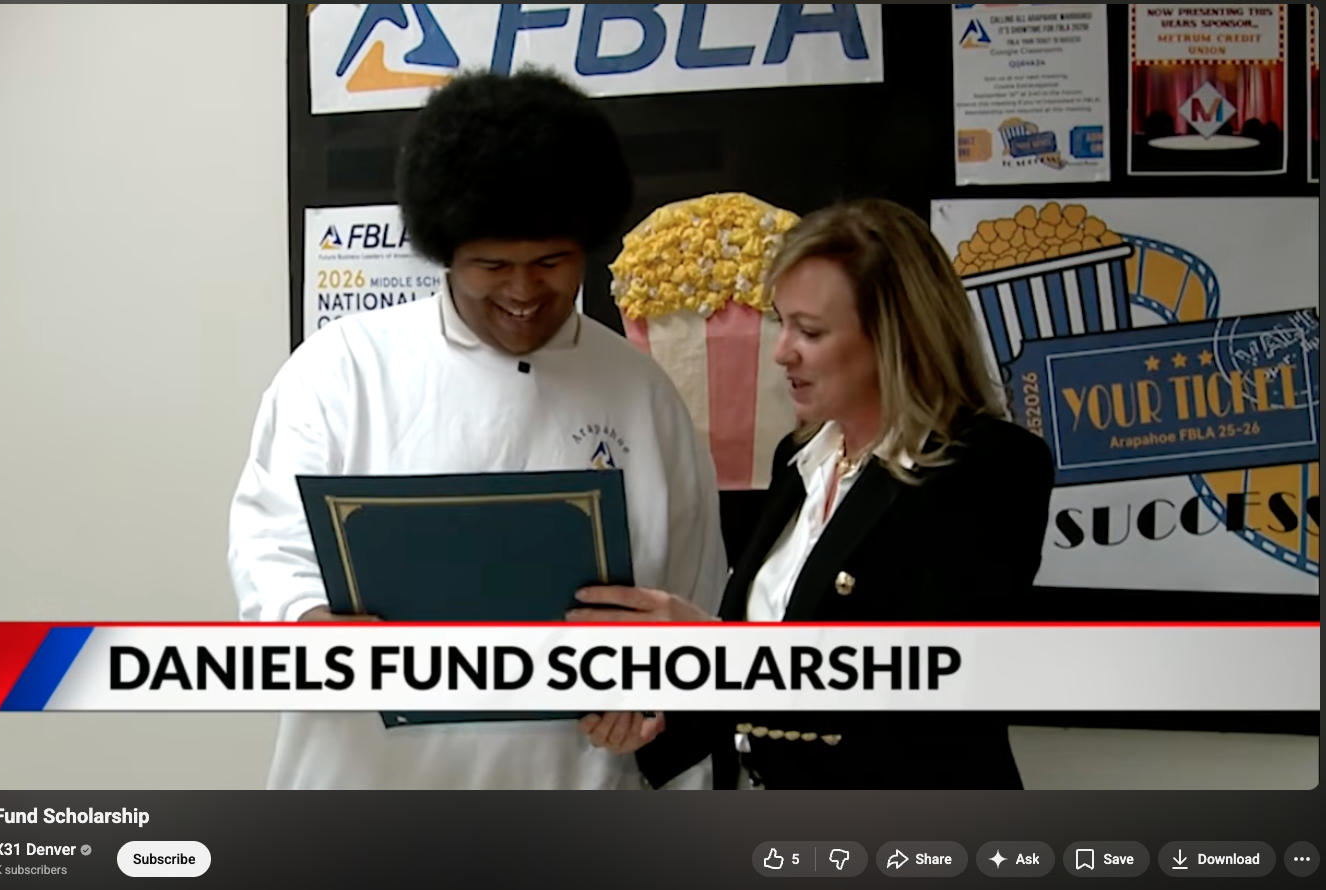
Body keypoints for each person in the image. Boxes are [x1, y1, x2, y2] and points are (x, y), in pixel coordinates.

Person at [227, 68, 727, 790]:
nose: (523, 293)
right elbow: (268, 546)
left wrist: (654, 693)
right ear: (444, 253)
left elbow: (692, 601)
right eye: (493, 265)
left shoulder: (641, 393)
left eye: (550, 262)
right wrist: (308, 624)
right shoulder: (342, 371)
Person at [570, 198, 1055, 790]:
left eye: (811, 331)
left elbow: (925, 682)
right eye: (782, 322)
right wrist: (650, 716)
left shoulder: (987, 466)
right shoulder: (800, 462)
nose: (781, 351)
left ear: (895, 336)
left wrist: (716, 651)